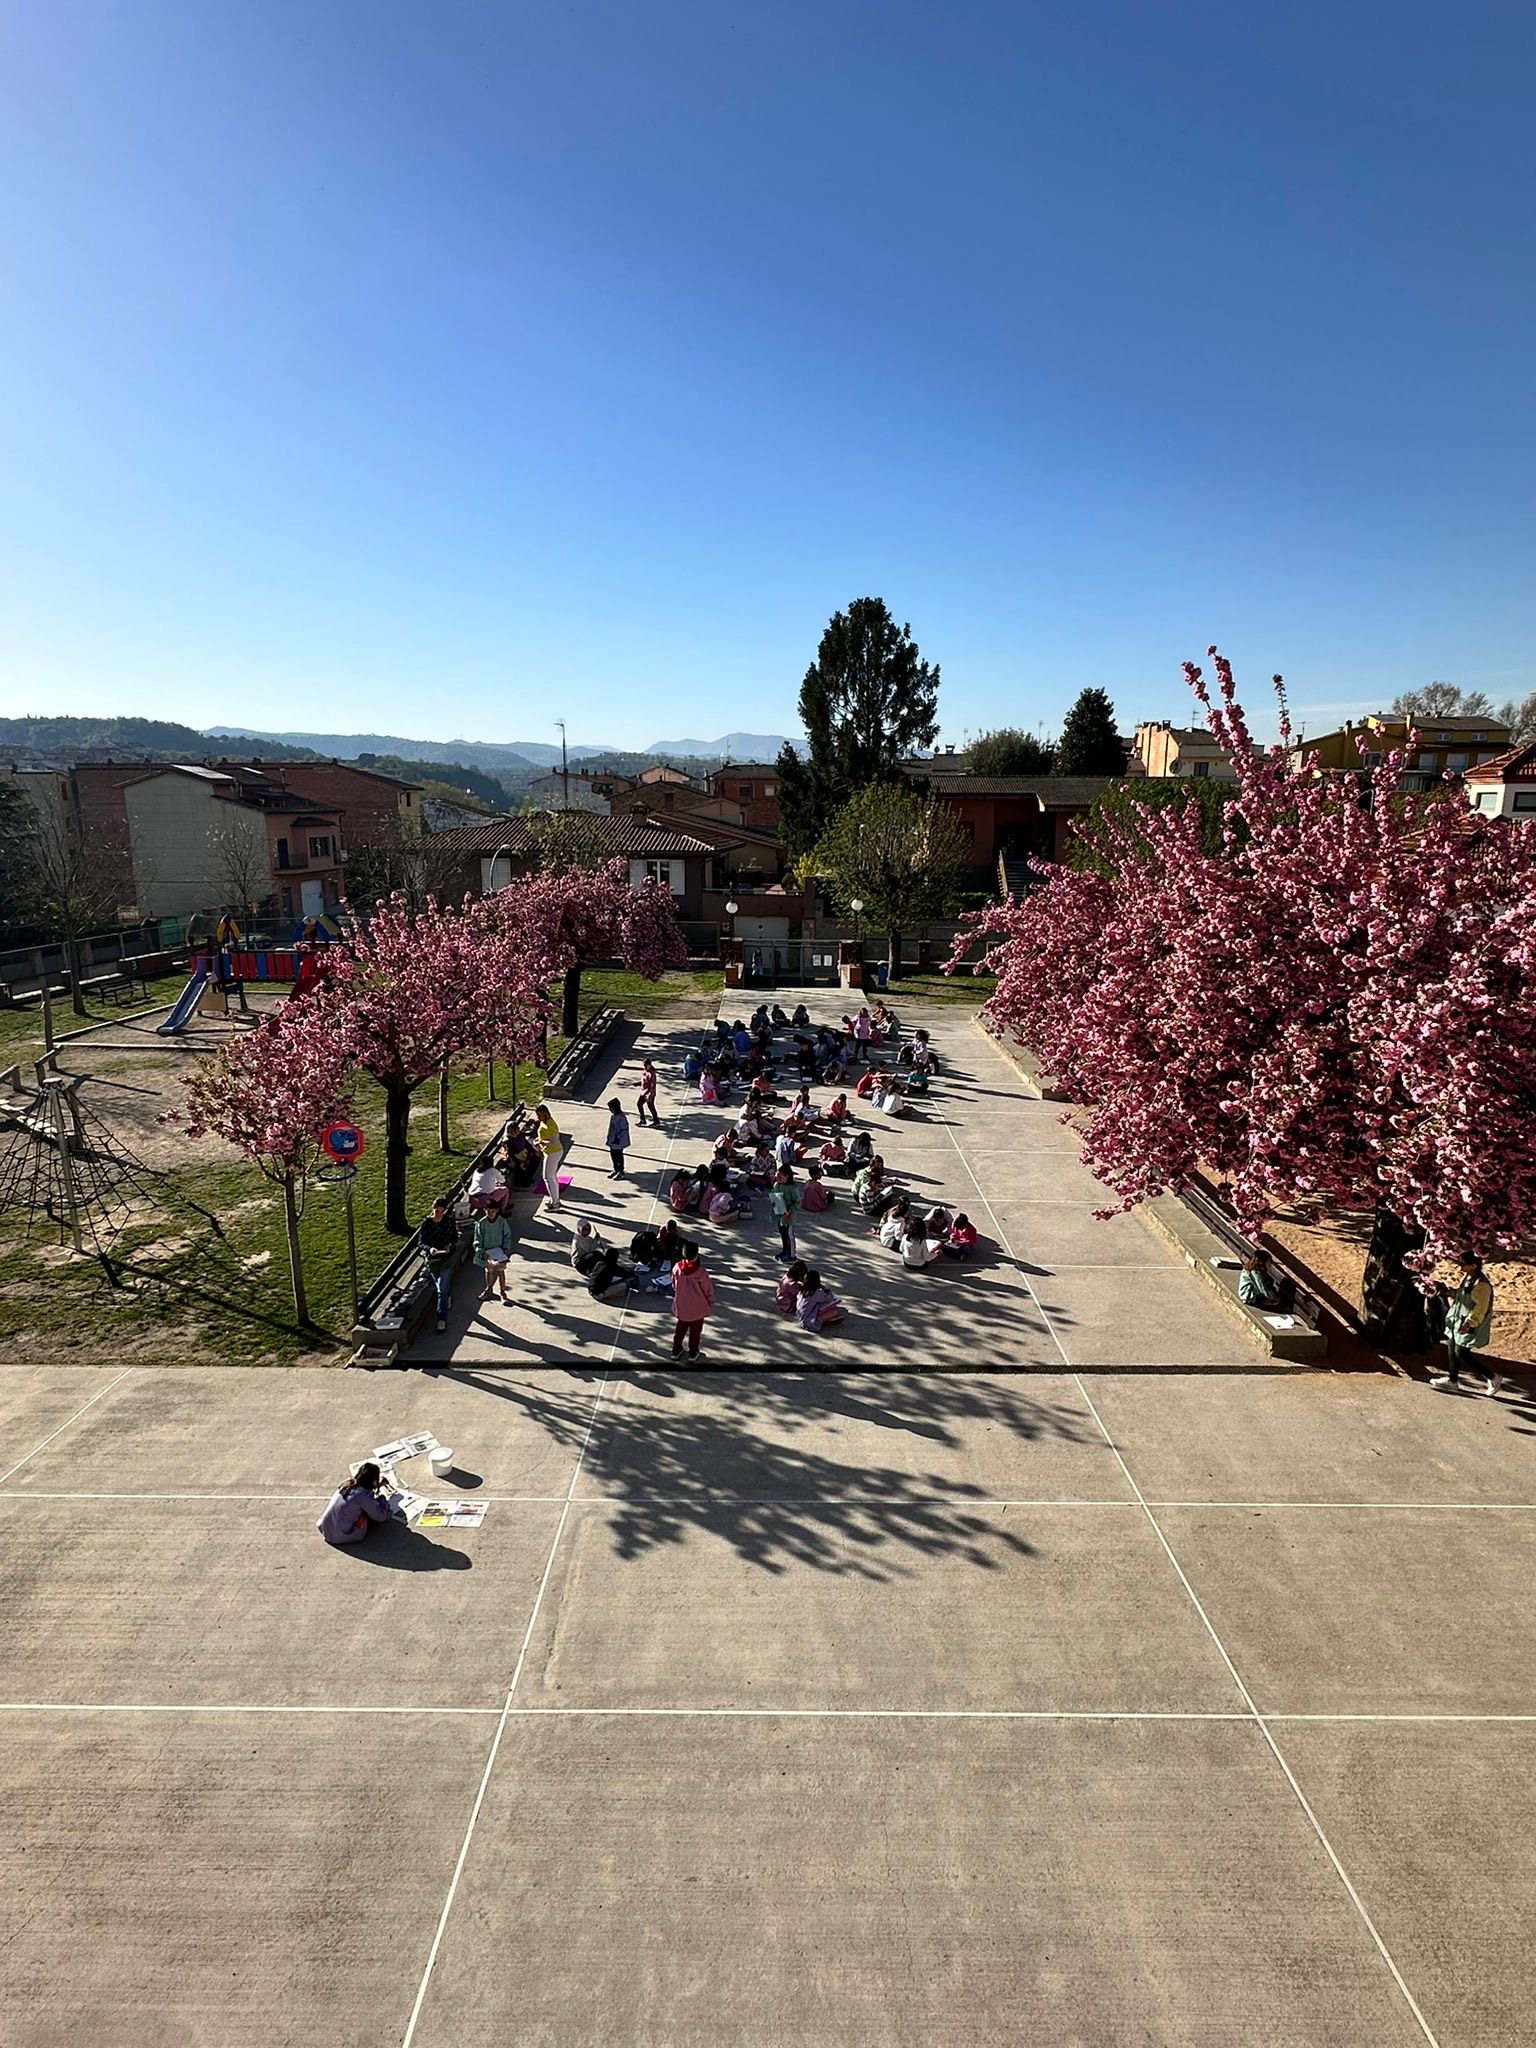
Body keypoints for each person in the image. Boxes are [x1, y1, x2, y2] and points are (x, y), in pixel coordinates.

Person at [1431, 1255, 1502, 1395]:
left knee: (1461, 1352)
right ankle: (1452, 1380)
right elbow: (1461, 1295)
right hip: (1457, 1321)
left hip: (1468, 1324)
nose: (1460, 1266)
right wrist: (1447, 1292)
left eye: (1463, 1264)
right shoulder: (1469, 1278)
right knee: (1452, 1348)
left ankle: (1492, 1376)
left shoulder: (1482, 1286)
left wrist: (1469, 1323)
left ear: (1473, 1266)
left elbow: (1480, 1308)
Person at [316, 1462, 394, 1546]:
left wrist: (378, 1485)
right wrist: (382, 1499)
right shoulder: (363, 1495)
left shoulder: (347, 1485)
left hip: (325, 1528)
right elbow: (380, 1516)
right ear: (373, 1480)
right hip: (341, 1535)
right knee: (373, 1514)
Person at [419, 1196, 458, 1331]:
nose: (439, 1214)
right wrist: (430, 1249)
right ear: (433, 1209)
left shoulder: (449, 1221)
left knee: (441, 1290)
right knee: (441, 1285)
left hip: (446, 1258)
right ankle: (448, 1296)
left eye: (441, 1211)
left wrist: (449, 1245)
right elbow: (421, 1243)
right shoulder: (426, 1224)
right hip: (433, 1260)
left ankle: (441, 1319)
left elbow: (454, 1237)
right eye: (437, 1211)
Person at [670, 1241, 714, 1359]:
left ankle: (676, 1350)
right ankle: (693, 1352)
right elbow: (708, 1290)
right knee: (695, 1332)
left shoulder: (677, 1267)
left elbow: (674, 1284)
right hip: (697, 1308)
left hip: (682, 1305)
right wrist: (710, 1301)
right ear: (696, 1255)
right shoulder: (701, 1273)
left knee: (680, 1329)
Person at [570, 1219, 633, 1301]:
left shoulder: (587, 1238)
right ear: (580, 1229)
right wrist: (596, 1240)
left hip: (587, 1266)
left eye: (589, 1229)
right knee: (595, 1255)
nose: (587, 1231)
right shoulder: (578, 1239)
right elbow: (589, 1249)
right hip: (579, 1261)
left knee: (596, 1255)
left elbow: (591, 1245)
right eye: (585, 1229)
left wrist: (595, 1239)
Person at [474, 1208, 514, 1302]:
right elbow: (477, 1239)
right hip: (487, 1252)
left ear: (496, 1211)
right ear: (484, 1210)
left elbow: (507, 1236)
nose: (490, 1214)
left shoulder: (502, 1222)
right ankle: (489, 1289)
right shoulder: (481, 1223)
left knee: (501, 1271)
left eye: (493, 1211)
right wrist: (481, 1251)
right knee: (489, 1271)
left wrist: (506, 1249)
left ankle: (502, 1292)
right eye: (488, 1211)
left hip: (500, 1251)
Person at [534, 1103, 564, 1210]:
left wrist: (540, 1142)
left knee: (547, 1177)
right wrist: (539, 1140)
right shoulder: (545, 1122)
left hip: (553, 1152)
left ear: (545, 1114)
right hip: (550, 1152)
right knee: (552, 1177)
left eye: (539, 1115)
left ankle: (555, 1203)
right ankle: (555, 1199)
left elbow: (553, 1141)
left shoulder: (551, 1125)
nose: (538, 1117)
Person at [796, 1268, 845, 1332]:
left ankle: (826, 1320)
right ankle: (822, 1321)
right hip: (810, 1324)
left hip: (801, 1317)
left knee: (819, 1304)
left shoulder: (802, 1291)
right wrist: (825, 1289)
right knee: (834, 1311)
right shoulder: (816, 1293)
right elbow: (828, 1298)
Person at [770, 1165, 801, 1262]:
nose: (778, 1178)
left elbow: (797, 1202)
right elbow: (773, 1195)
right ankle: (785, 1250)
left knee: (789, 1235)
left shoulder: (792, 1188)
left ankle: (792, 1255)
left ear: (787, 1176)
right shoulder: (776, 1185)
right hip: (779, 1215)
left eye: (780, 1176)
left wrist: (790, 1211)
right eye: (777, 1176)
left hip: (788, 1217)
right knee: (783, 1234)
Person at [605, 1098, 631, 1179]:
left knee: (618, 1155)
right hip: (613, 1139)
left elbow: (624, 1129)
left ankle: (621, 1171)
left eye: (610, 1108)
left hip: (618, 1140)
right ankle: (616, 1169)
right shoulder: (613, 1116)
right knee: (613, 1154)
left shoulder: (621, 1118)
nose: (610, 1110)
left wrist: (618, 1137)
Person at [636, 1058, 660, 1128]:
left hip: (649, 1093)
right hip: (644, 1092)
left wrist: (650, 1094)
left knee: (651, 1106)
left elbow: (652, 1085)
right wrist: (639, 1083)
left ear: (649, 1065)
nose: (644, 1067)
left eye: (645, 1065)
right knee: (639, 1104)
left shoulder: (651, 1074)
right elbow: (645, 1081)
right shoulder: (646, 1071)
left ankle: (656, 1121)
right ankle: (643, 1119)